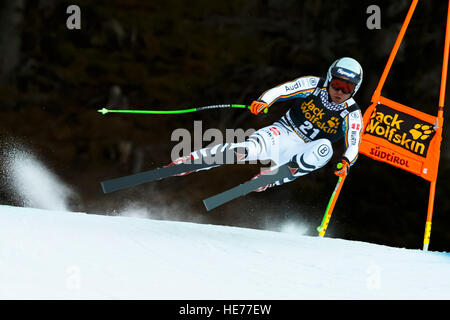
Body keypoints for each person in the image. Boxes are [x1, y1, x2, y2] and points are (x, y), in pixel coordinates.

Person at [167, 57, 364, 192]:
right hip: (282, 133)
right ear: (330, 78)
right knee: (245, 150)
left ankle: (272, 177)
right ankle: (193, 161)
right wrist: (264, 101)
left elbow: (354, 143)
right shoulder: (314, 85)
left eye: (347, 88)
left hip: (304, 150)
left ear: (355, 89)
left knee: (325, 149)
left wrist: (346, 162)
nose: (340, 92)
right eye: (337, 84)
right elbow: (284, 90)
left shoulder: (352, 113)